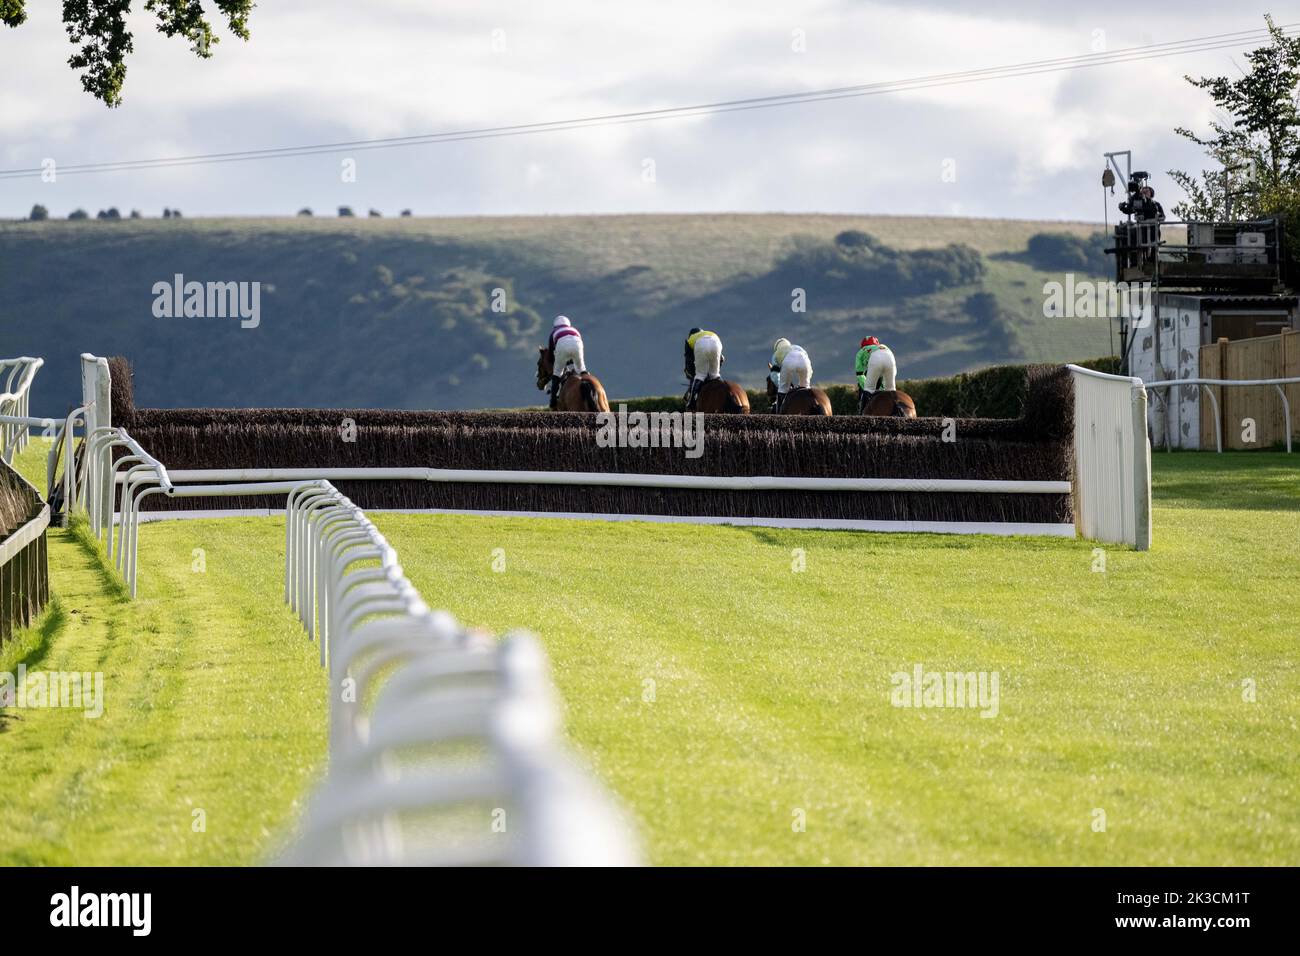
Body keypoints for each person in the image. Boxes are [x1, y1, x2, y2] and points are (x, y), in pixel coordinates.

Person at [545, 315, 586, 409]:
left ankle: (553, 401)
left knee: (557, 374)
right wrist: (573, 361)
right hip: (578, 344)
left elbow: (551, 354)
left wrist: (559, 362)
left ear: (555, 326)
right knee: (582, 370)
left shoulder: (554, 332)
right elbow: (576, 349)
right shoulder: (575, 330)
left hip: (562, 346)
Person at [683, 327, 724, 409]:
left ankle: (691, 402)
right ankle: (724, 388)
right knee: (715, 375)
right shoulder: (709, 333)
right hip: (716, 341)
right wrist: (713, 370)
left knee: (700, 376)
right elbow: (722, 359)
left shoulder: (690, 340)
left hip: (701, 344)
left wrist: (691, 373)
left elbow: (689, 362)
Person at [769, 337, 812, 413]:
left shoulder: (776, 354)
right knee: (806, 388)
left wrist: (784, 386)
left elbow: (775, 376)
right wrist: (804, 382)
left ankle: (779, 417)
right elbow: (809, 369)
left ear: (777, 348)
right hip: (805, 360)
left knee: (782, 389)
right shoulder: (798, 347)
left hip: (788, 361)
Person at [855, 336, 896, 409]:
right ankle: (898, 410)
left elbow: (860, 375)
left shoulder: (861, 352)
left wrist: (868, 389)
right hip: (890, 355)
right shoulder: (881, 347)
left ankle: (862, 415)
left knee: (868, 389)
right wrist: (882, 389)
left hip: (875, 358)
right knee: (891, 390)